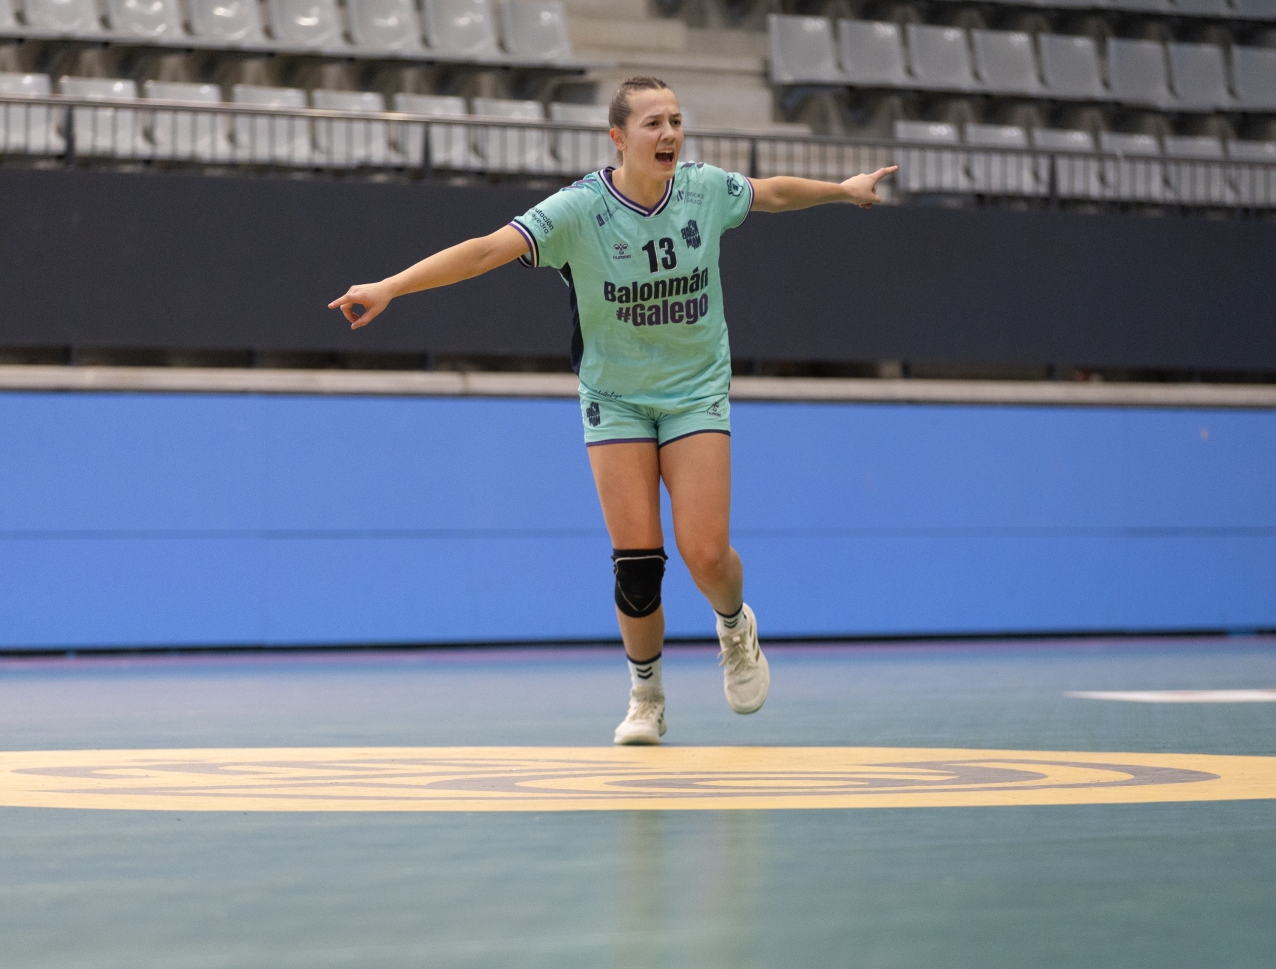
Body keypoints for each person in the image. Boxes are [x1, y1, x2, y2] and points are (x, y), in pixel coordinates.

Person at [329, 77, 895, 745]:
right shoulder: (579, 210)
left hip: (694, 390)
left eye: (676, 121)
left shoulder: (704, 190)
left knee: (706, 554)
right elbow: (484, 250)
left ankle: (734, 625)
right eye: (653, 123)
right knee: (637, 565)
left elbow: (771, 192)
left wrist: (843, 190)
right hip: (615, 398)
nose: (669, 134)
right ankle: (646, 695)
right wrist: (391, 286)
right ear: (618, 138)